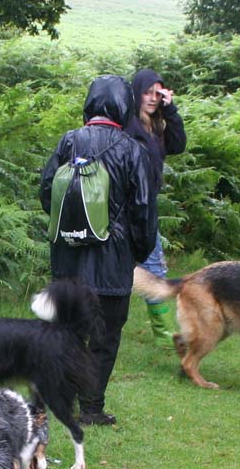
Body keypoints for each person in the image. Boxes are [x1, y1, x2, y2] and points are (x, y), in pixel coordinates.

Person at [40, 75, 156, 426]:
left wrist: (70, 229)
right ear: (125, 106)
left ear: (89, 104)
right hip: (113, 262)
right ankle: (91, 407)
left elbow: (47, 192)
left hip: (68, 260)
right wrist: (137, 250)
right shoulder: (133, 149)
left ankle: (57, 397)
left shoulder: (68, 141)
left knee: (65, 332)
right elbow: (144, 209)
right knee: (104, 339)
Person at [125, 68, 187, 349]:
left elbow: (178, 145)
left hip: (148, 206)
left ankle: (162, 331)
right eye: (147, 92)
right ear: (136, 93)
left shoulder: (158, 126)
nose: (151, 98)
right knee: (127, 265)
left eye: (156, 93)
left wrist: (171, 110)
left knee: (153, 265)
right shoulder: (128, 125)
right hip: (127, 206)